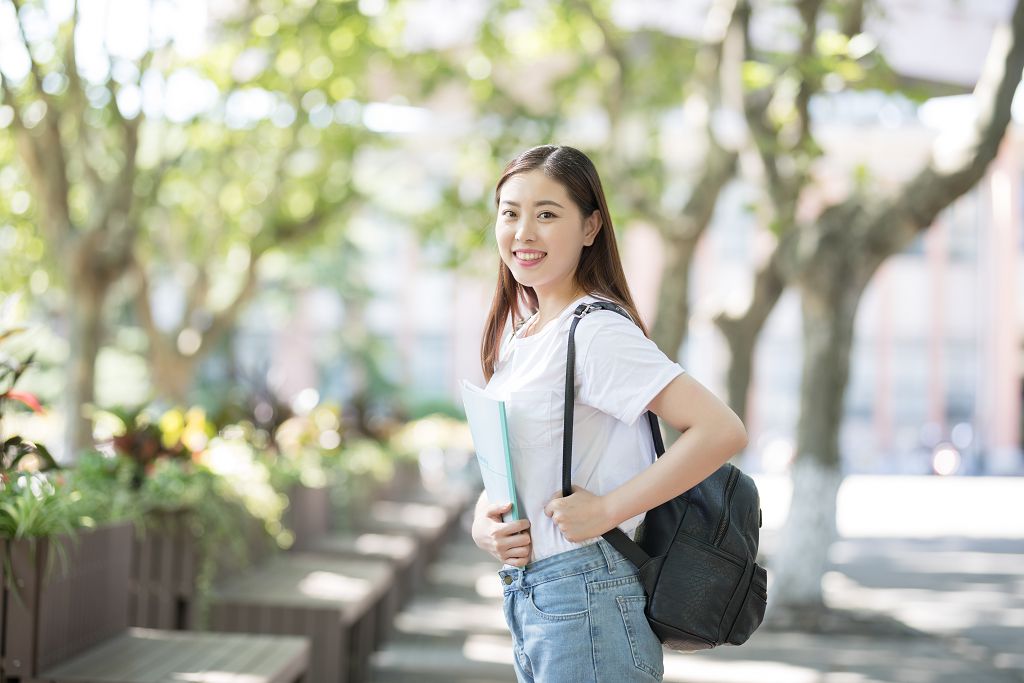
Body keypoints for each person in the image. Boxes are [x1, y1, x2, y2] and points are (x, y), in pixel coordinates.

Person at [469, 144, 749, 683]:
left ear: (591, 227)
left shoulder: (594, 330)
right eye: (510, 212)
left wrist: (609, 509)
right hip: (540, 598)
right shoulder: (525, 337)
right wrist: (485, 523)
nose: (524, 232)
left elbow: (720, 429)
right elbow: (526, 459)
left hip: (587, 595)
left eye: (547, 214)